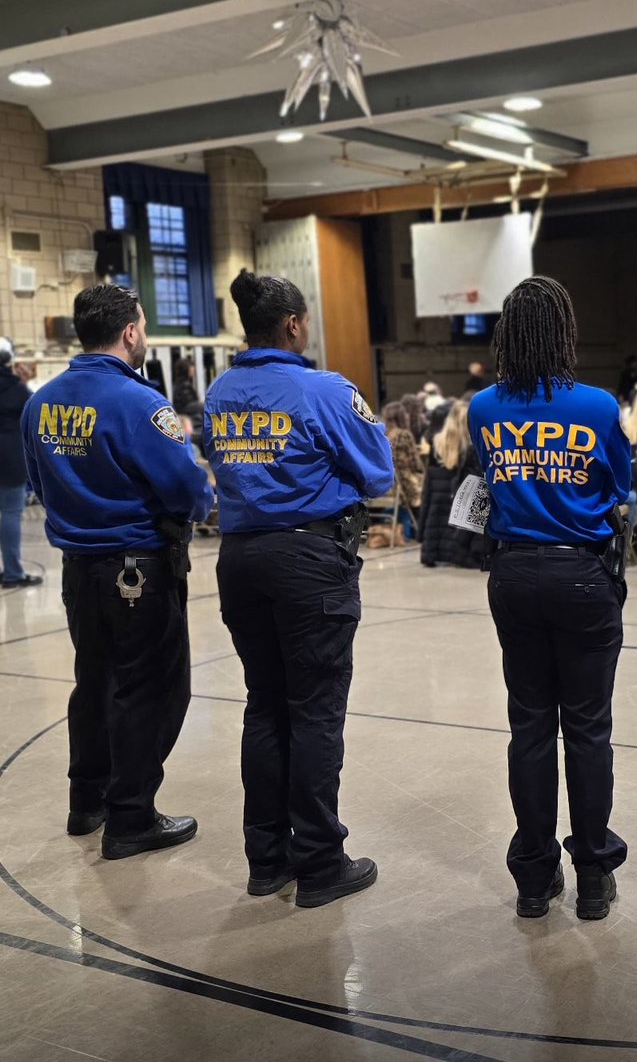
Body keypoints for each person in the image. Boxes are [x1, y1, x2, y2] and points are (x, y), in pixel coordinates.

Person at [204, 270, 394, 907]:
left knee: (266, 705)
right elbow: (377, 471)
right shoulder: (325, 390)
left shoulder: (221, 390)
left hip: (240, 560)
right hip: (308, 559)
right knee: (315, 709)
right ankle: (319, 862)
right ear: (294, 325)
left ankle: (268, 857)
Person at [21, 285, 213, 859]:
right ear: (131, 331)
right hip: (138, 567)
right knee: (148, 689)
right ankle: (131, 816)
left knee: (95, 682)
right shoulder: (139, 403)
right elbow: (182, 485)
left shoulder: (42, 403)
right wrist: (202, 503)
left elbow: (38, 480)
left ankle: (88, 801)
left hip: (78, 568)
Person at [468, 276, 631, 920]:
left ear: (507, 333)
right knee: (588, 728)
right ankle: (593, 874)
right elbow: (619, 485)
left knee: (529, 726)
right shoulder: (595, 406)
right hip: (582, 575)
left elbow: (485, 486)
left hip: (513, 575)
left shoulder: (483, 407)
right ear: (565, 331)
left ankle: (534, 877)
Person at [418, 399, 486, 569]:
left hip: (437, 488)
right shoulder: (471, 444)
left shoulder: (437, 441)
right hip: (463, 489)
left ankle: (434, 554)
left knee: (437, 521)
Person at [0, 338, 42, 588]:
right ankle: (13, 573)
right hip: (10, 459)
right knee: (11, 514)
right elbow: (33, 419)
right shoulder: (17, 389)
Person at [381, 401, 423, 530]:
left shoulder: (382, 434)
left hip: (386, 485)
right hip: (404, 484)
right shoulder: (404, 435)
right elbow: (415, 464)